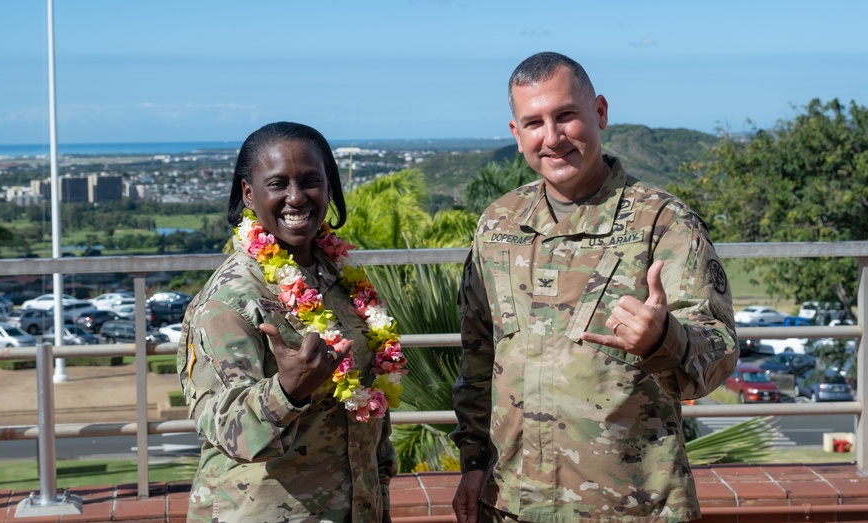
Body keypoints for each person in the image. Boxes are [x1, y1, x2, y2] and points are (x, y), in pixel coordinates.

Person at [451, 52, 738, 522]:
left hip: (633, 507)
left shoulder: (661, 223)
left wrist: (665, 340)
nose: (553, 137)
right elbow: (479, 358)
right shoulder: (498, 226)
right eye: (534, 122)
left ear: (600, 112)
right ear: (515, 134)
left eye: (566, 115)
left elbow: (720, 351)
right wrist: (473, 462)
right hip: (513, 504)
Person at [176, 121, 405, 522]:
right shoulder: (230, 299)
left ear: (328, 187)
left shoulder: (340, 277)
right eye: (278, 184)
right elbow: (226, 428)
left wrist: (379, 488)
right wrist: (287, 391)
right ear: (249, 193)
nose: (296, 198)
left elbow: (370, 400)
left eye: (311, 181)